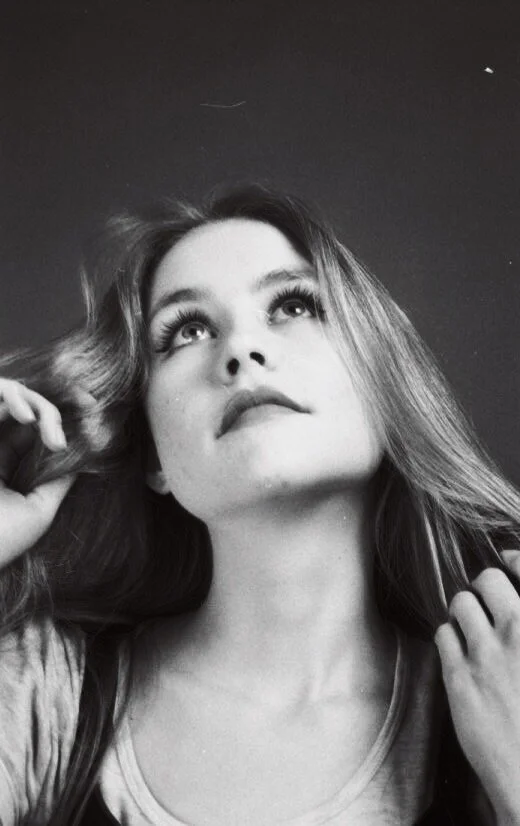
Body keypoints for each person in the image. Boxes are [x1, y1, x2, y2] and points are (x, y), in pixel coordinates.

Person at [0, 183, 519, 826]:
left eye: (294, 306)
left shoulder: (499, 700)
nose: (241, 351)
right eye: (187, 330)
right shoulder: (44, 696)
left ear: (385, 388)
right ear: (154, 456)